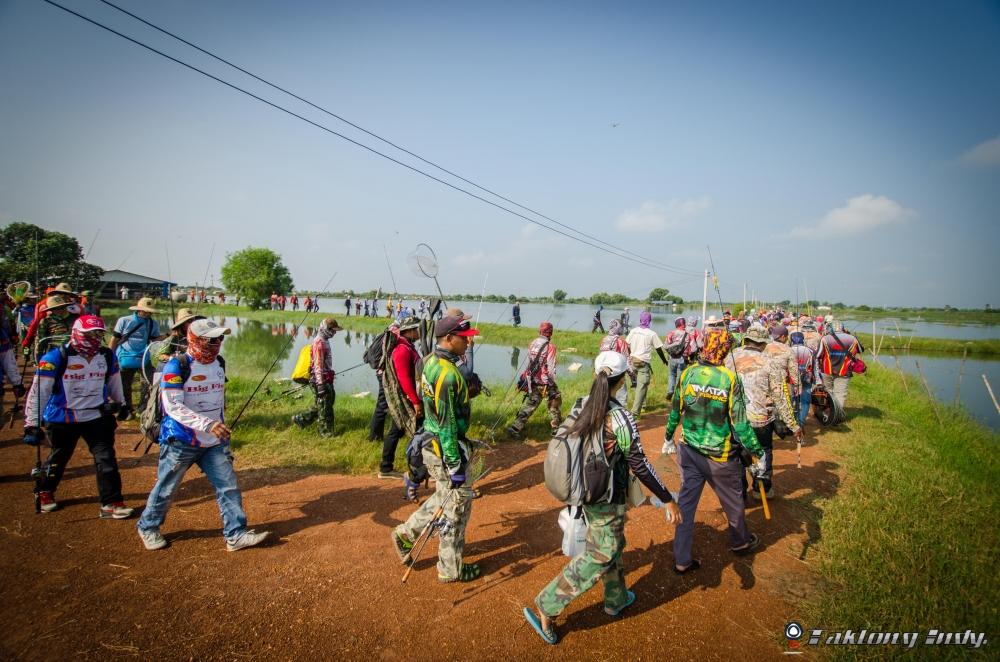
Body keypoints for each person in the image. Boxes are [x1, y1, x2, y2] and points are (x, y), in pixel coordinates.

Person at [522, 351, 680, 645]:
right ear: (623, 381)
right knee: (602, 552)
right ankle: (547, 604)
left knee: (612, 543)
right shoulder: (621, 417)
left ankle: (616, 598)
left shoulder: (583, 404)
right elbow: (640, 465)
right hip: (606, 496)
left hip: (588, 490)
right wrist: (667, 497)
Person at [136, 319, 269, 551]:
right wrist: (207, 424)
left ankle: (235, 534)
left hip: (213, 441)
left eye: (220, 339)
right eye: (211, 339)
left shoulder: (219, 363)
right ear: (195, 340)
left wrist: (221, 428)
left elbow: (218, 401)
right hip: (181, 439)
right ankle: (148, 526)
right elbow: (173, 407)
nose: (217, 343)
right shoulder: (176, 366)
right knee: (167, 487)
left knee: (228, 485)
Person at [665, 327, 765, 575]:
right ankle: (741, 541)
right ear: (724, 349)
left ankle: (682, 559)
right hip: (720, 456)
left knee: (686, 506)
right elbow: (740, 423)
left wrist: (668, 436)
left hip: (688, 450)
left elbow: (676, 409)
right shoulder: (729, 379)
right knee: (733, 503)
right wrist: (757, 452)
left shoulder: (688, 373)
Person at [391, 315, 481, 582]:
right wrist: (455, 465)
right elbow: (448, 424)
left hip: (432, 441)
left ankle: (406, 534)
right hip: (444, 447)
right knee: (456, 504)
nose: (468, 342)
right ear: (449, 338)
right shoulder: (448, 374)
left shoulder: (429, 360)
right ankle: (449, 569)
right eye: (464, 339)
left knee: (444, 496)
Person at [23, 315, 133, 518]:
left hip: (96, 416)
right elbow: (40, 391)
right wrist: (32, 423)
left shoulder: (107, 356)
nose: (94, 338)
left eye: (98, 333)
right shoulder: (55, 358)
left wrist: (122, 405)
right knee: (59, 457)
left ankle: (111, 503)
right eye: (88, 334)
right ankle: (45, 491)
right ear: (76, 333)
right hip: (62, 418)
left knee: (106, 458)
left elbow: (114, 382)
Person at [728, 324, 801, 498]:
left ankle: (739, 491)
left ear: (746, 339)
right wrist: (793, 424)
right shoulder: (770, 362)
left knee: (737, 454)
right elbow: (780, 397)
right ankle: (762, 488)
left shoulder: (730, 358)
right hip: (760, 419)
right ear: (762, 343)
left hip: (734, 419)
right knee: (764, 451)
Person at [378, 316, 423, 479]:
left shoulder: (407, 346)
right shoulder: (402, 350)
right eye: (416, 329)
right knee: (401, 431)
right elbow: (405, 378)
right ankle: (390, 468)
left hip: (408, 397)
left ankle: (389, 467)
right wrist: (416, 401)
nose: (419, 332)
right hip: (405, 399)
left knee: (398, 430)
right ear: (409, 331)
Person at [110, 297, 163, 421]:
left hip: (144, 357)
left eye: (149, 311)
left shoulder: (152, 323)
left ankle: (143, 408)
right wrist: (110, 356)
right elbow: (114, 339)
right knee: (124, 385)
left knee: (151, 382)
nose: (147, 313)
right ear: (138, 310)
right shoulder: (124, 321)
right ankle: (127, 408)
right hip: (125, 357)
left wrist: (167, 336)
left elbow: (154, 340)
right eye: (145, 311)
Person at [506, 322, 562, 439]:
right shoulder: (550, 347)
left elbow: (529, 363)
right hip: (545, 382)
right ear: (550, 333)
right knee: (555, 400)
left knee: (531, 404)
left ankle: (515, 427)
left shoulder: (533, 343)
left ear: (540, 331)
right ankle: (556, 429)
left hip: (532, 379)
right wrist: (550, 383)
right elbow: (551, 368)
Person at [292, 318, 341, 437]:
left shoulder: (325, 340)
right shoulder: (319, 343)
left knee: (324, 403)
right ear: (326, 329)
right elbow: (318, 365)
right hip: (320, 380)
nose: (334, 333)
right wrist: (320, 385)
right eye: (333, 330)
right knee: (325, 407)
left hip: (326, 377)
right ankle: (325, 433)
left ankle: (301, 419)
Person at [624, 311, 668, 418]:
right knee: (641, 386)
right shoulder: (651, 333)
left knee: (639, 386)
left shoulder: (633, 331)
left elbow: (627, 344)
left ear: (640, 320)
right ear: (649, 321)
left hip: (633, 362)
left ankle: (642, 406)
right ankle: (634, 413)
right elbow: (658, 349)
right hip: (643, 364)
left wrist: (629, 356)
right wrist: (664, 360)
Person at [816, 322, 863, 413]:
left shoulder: (825, 339)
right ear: (843, 328)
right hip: (845, 370)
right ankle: (837, 414)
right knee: (840, 393)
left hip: (827, 369)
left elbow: (818, 355)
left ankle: (827, 412)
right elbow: (861, 350)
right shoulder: (852, 338)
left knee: (828, 391)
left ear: (832, 328)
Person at [29, 294, 78, 360]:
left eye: (61, 307)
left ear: (64, 306)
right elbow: (40, 340)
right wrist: (39, 355)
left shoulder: (75, 318)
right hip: (55, 352)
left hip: (74, 351)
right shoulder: (46, 321)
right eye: (55, 308)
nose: (59, 310)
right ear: (51, 310)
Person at [599, 319, 632, 404]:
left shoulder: (604, 340)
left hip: (604, 373)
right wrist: (633, 377)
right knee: (621, 399)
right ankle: (620, 416)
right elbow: (627, 361)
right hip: (617, 373)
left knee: (604, 397)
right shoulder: (621, 342)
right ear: (619, 328)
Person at [790, 331, 816, 430]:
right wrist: (818, 381)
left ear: (791, 340)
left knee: (792, 399)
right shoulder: (811, 351)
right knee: (805, 401)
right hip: (807, 379)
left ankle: (793, 421)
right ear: (803, 340)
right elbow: (816, 367)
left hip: (791, 380)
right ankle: (800, 423)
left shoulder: (787, 350)